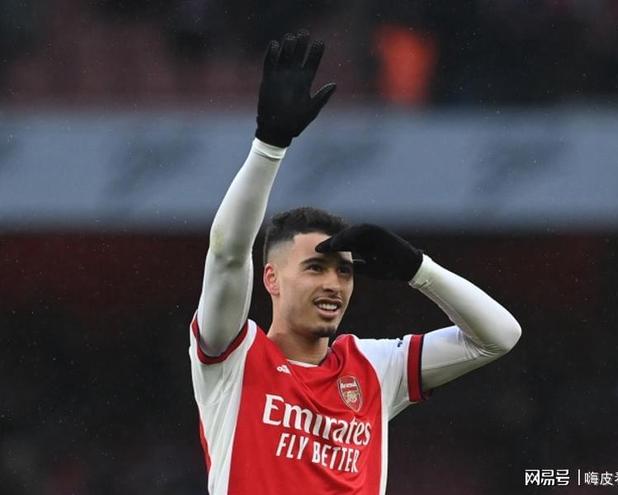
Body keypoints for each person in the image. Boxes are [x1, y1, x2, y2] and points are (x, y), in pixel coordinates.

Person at [189, 30, 522, 495]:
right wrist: (269, 147)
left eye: (344, 271)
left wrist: (418, 270)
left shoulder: (373, 367)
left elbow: (499, 336)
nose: (334, 283)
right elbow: (227, 253)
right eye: (315, 268)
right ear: (271, 278)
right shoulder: (234, 357)